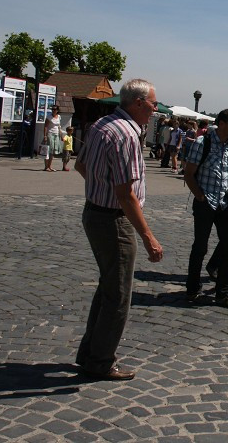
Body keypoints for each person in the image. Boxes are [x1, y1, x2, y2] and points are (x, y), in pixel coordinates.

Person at [74, 78, 163, 380]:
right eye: (153, 104)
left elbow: (81, 166)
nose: (155, 110)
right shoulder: (127, 135)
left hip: (94, 212)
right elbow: (126, 194)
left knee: (108, 288)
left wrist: (99, 187)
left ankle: (90, 353)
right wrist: (148, 236)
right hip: (113, 220)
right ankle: (100, 360)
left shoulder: (103, 124)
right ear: (138, 103)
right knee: (118, 295)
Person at [183, 108, 228, 308]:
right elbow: (189, 173)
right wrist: (200, 196)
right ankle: (193, 289)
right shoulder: (202, 143)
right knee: (200, 247)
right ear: (221, 123)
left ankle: (224, 293)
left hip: (226, 204)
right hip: (205, 203)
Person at [43, 105, 63, 172]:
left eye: (55, 109)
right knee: (49, 151)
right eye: (52, 109)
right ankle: (46, 167)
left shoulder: (59, 117)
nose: (53, 111)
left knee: (53, 151)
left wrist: (61, 135)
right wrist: (45, 136)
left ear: (57, 110)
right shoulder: (49, 117)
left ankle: (49, 166)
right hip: (50, 134)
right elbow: (45, 127)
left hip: (56, 135)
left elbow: (59, 127)